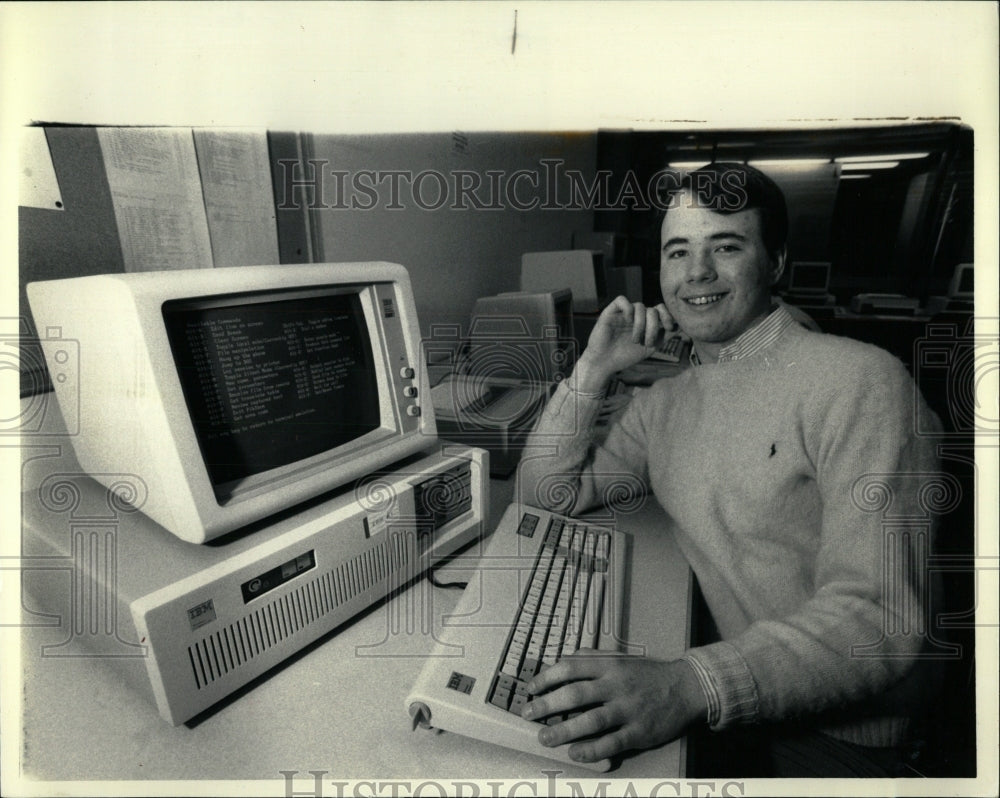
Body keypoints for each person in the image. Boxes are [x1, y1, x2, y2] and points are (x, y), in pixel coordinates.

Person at [516, 163, 943, 777]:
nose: (697, 274)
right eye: (678, 251)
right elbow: (546, 497)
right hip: (738, 690)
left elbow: (878, 620)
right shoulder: (666, 397)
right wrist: (592, 371)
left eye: (726, 246)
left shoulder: (863, 382)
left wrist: (690, 686)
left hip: (842, 736)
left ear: (775, 262)